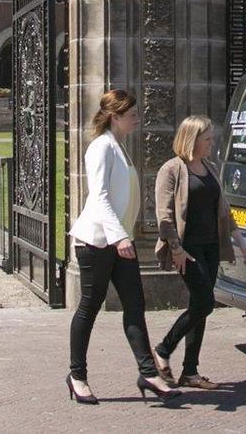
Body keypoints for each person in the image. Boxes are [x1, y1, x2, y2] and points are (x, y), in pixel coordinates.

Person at [65, 89, 177, 406]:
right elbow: (98, 197)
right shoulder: (101, 147)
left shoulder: (119, 147)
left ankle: (149, 373)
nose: (137, 120)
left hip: (117, 241)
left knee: (135, 304)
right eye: (132, 115)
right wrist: (119, 237)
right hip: (97, 242)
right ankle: (77, 376)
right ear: (115, 117)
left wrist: (121, 236)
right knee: (89, 307)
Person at [152, 115, 246, 390]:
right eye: (207, 139)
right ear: (192, 139)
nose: (212, 143)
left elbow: (223, 211)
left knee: (199, 307)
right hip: (188, 249)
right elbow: (165, 213)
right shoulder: (172, 169)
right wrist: (176, 249)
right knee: (205, 302)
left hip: (210, 247)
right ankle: (163, 348)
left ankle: (190, 372)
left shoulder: (208, 167)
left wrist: (240, 241)